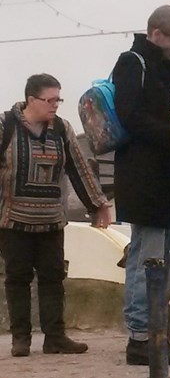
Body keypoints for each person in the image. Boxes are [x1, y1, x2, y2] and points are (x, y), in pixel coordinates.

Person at [112, 5, 170, 365]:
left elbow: (145, 113)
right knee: (148, 257)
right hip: (144, 176)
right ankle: (141, 337)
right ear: (157, 34)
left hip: (160, 176)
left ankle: (155, 333)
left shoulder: (152, 67)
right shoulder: (133, 63)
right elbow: (131, 116)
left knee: (168, 254)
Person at [0, 73, 111, 357]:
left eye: (58, 99)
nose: (55, 105)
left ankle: (55, 338)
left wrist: (98, 204)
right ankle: (20, 339)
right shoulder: (6, 126)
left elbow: (78, 167)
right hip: (13, 219)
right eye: (49, 100)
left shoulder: (61, 129)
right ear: (30, 100)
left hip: (51, 219)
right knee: (17, 277)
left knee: (53, 277)